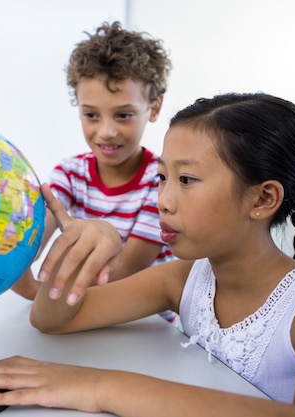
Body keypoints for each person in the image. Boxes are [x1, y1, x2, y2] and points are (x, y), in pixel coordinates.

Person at [0, 92, 295, 416]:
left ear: (263, 198)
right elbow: (50, 320)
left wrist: (103, 386)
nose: (163, 200)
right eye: (162, 177)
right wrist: (86, 245)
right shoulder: (182, 277)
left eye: (186, 179)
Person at [12, 21, 176, 314]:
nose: (106, 132)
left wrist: (31, 289)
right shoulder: (70, 174)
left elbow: (121, 272)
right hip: (84, 316)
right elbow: (31, 243)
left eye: (123, 115)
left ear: (154, 108)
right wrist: (10, 252)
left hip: (146, 326)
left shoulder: (163, 181)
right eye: (91, 115)